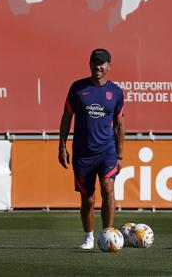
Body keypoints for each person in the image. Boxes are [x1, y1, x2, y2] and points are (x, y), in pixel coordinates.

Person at [58, 48, 125, 250]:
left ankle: (108, 236)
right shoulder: (77, 88)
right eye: (94, 62)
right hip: (82, 153)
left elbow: (119, 125)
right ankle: (88, 237)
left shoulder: (116, 92)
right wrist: (61, 145)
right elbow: (67, 118)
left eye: (101, 63)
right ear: (89, 65)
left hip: (107, 152)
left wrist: (120, 154)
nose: (97, 66)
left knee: (108, 188)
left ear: (109, 67)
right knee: (87, 198)